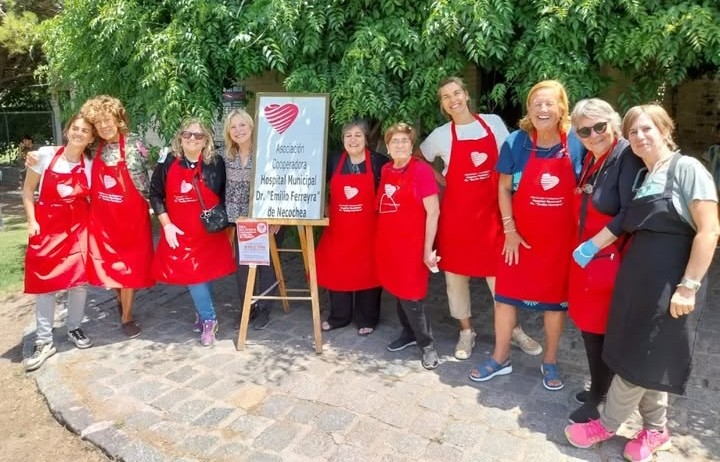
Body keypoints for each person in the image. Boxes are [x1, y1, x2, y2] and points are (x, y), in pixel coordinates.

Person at [565, 104, 719, 461]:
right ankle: (656, 429)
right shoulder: (648, 175)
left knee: (638, 356)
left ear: (666, 129)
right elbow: (623, 223)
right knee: (646, 353)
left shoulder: (688, 169)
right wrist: (591, 247)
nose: (639, 137)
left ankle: (606, 424)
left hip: (669, 283)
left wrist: (689, 285)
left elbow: (710, 230)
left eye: (647, 129)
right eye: (634, 132)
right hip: (639, 280)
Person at [469, 80, 585, 390]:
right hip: (517, 239)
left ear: (562, 108)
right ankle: (500, 357)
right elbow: (503, 187)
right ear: (528, 109)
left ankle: (549, 361)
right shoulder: (516, 142)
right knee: (505, 299)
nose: (542, 109)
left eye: (549, 104)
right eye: (536, 104)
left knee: (553, 304)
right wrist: (509, 231)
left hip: (559, 242)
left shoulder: (577, 142)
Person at [419, 76, 541, 360]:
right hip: (456, 220)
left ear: (466, 95)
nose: (453, 99)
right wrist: (443, 180)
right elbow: (420, 157)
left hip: (492, 216)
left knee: (501, 278)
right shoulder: (440, 134)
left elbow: (509, 160)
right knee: (455, 280)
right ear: (443, 105)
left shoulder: (493, 123)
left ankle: (514, 329)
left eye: (457, 92)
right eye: (446, 96)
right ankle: (466, 331)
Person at [566, 98, 644, 423]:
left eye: (600, 126)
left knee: (597, 331)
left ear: (612, 122)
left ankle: (599, 396)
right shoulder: (594, 157)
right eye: (585, 130)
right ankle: (600, 386)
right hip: (590, 258)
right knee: (589, 328)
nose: (594, 134)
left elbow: (628, 212)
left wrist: (593, 245)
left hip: (607, 259)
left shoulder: (625, 156)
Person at [150, 119, 235, 346]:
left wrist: (228, 225)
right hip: (180, 232)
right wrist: (166, 225)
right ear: (180, 137)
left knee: (202, 274)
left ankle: (203, 312)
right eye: (188, 134)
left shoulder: (215, 163)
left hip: (208, 232)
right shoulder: (168, 161)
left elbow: (226, 193)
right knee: (193, 276)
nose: (192, 139)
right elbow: (156, 194)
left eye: (198, 136)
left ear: (206, 139)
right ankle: (209, 319)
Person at [21, 115, 95, 371]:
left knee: (79, 283)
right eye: (75, 128)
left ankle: (74, 327)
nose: (79, 133)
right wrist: (31, 221)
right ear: (67, 131)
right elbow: (28, 190)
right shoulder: (44, 156)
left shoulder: (90, 164)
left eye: (84, 131)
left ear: (90, 138)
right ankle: (44, 341)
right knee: (45, 284)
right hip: (48, 227)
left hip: (78, 228)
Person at [81, 95, 154, 338]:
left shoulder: (136, 143)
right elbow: (67, 151)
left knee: (131, 265)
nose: (104, 126)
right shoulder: (91, 147)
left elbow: (154, 172)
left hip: (133, 217)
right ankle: (121, 299)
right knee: (109, 265)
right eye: (99, 122)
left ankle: (127, 316)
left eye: (108, 120)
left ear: (118, 119)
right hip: (103, 218)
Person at [376, 122, 440, 370]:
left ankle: (427, 345)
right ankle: (408, 333)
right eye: (395, 141)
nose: (400, 145)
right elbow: (382, 206)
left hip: (412, 245)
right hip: (388, 243)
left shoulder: (421, 170)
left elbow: (433, 211)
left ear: (411, 145)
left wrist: (427, 249)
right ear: (388, 147)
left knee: (411, 294)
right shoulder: (387, 169)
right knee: (397, 290)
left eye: (405, 141)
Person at [316, 119, 389, 335]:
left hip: (370, 230)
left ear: (366, 139)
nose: (353, 140)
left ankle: (367, 318)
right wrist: (327, 209)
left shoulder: (378, 162)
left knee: (369, 272)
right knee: (338, 271)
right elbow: (316, 187)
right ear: (343, 140)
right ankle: (339, 317)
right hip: (339, 229)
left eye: (358, 135)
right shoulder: (334, 160)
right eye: (348, 136)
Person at [222, 108, 283, 330]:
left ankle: (264, 309)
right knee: (243, 266)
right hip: (240, 220)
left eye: (242, 125)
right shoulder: (226, 157)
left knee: (266, 264)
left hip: (267, 217)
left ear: (252, 127)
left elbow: (282, 185)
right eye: (233, 126)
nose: (238, 130)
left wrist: (277, 218)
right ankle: (247, 306)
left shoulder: (268, 153)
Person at [701, 121, 720, 192]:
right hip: (713, 192)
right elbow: (703, 172)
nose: (718, 136)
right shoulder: (712, 151)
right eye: (718, 133)